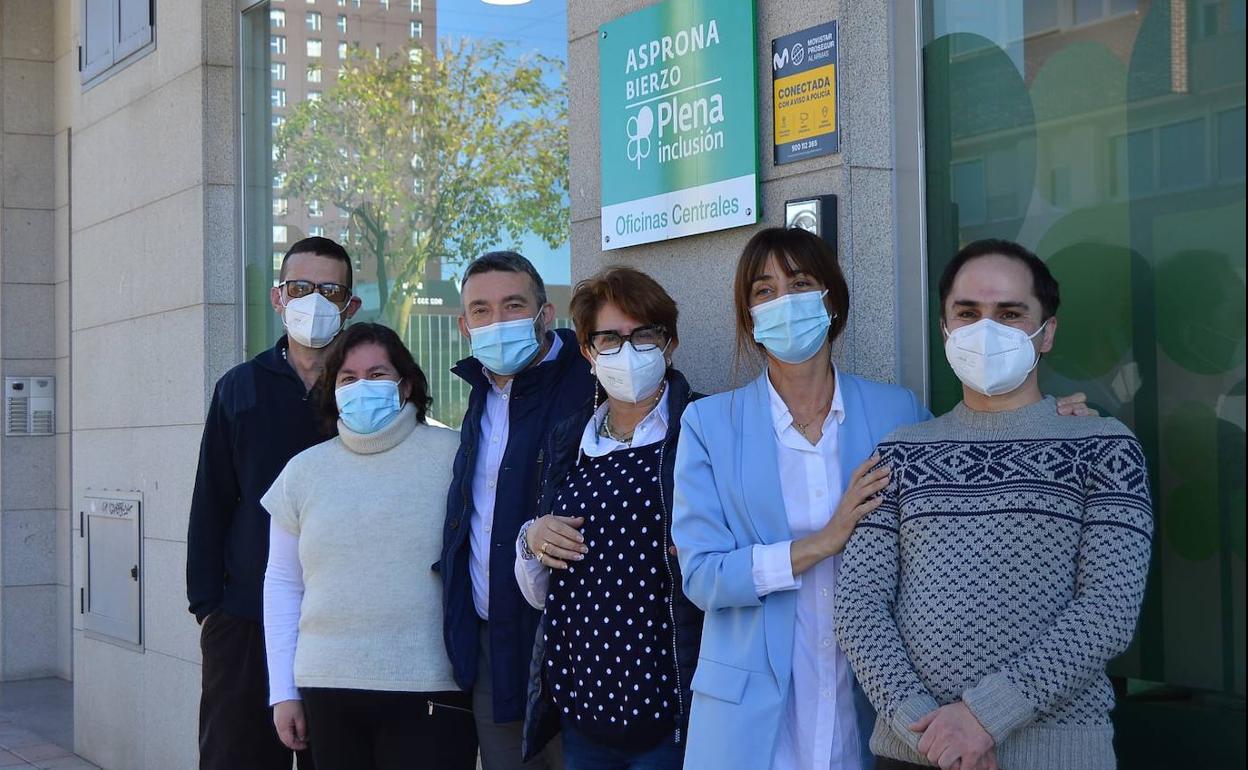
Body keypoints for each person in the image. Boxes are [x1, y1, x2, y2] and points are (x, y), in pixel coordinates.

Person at [670, 227, 1094, 770]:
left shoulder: (898, 412)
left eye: (800, 284)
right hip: (751, 716)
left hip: (879, 706)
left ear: (832, 300)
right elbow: (703, 576)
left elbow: (967, 469)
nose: (783, 302)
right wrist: (821, 543)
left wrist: (1046, 419)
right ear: (749, 315)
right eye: (764, 290)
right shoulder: (709, 424)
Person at [834, 239, 1153, 770]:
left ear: (1046, 332)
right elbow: (859, 609)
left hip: (1056, 755)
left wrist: (982, 719)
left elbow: (1108, 611)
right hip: (915, 753)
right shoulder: (899, 453)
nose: (987, 329)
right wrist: (929, 733)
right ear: (945, 329)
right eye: (968, 313)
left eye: (1009, 313)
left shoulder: (1104, 447)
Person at [261, 323, 476, 770]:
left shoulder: (457, 456)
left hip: (432, 690)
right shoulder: (303, 472)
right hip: (327, 691)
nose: (363, 386)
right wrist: (283, 691)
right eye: (348, 378)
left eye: (378, 374)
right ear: (332, 389)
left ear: (407, 384)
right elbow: (282, 584)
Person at [514, 267, 703, 770]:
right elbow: (541, 589)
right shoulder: (569, 440)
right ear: (587, 351)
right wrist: (531, 541)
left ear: (670, 343)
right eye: (610, 338)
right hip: (585, 715)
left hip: (674, 716)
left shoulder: (704, 428)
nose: (628, 349)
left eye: (644, 335)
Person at [187, 236, 360, 770]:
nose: (313, 300)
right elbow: (211, 500)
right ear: (278, 297)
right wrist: (208, 607)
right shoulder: (240, 387)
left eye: (329, 290)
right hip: (244, 619)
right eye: (300, 287)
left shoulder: (367, 389)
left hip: (340, 618)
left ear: (349, 306)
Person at [441, 251, 593, 770]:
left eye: (512, 305)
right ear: (464, 325)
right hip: (494, 649)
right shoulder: (479, 395)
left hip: (577, 646)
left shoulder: (591, 382)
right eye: (481, 310)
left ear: (545, 314)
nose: (497, 321)